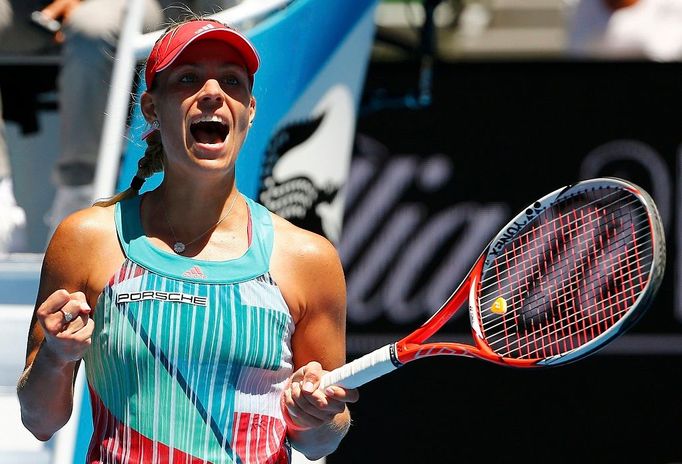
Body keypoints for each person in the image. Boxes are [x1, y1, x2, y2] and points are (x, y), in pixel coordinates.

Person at [17, 17, 358, 463]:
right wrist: (55, 358)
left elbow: (320, 443)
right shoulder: (87, 238)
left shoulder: (307, 257)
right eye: (188, 78)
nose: (213, 92)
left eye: (232, 81)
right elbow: (40, 421)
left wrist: (314, 417)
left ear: (249, 111)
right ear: (152, 110)